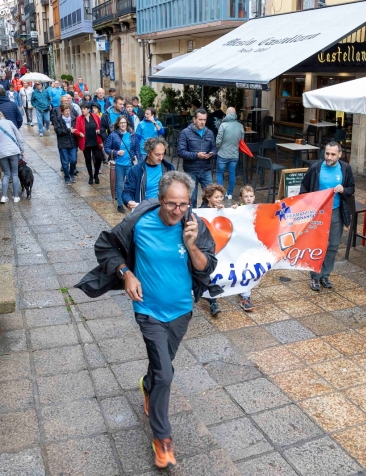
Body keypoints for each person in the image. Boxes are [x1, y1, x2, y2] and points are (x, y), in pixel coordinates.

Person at [81, 170, 219, 469]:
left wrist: (192, 244)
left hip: (181, 310)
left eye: (184, 204)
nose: (177, 211)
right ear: (160, 200)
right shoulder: (139, 222)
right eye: (172, 204)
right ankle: (162, 438)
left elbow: (206, 268)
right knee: (166, 374)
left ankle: (147, 384)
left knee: (160, 369)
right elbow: (105, 247)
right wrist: (126, 273)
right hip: (148, 311)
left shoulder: (194, 225)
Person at [299, 141, 355, 291]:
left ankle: (325, 274)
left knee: (333, 245)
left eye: (332, 154)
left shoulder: (345, 169)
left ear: (340, 155)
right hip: (318, 214)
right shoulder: (316, 168)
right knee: (317, 245)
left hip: (336, 212)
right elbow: (303, 189)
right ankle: (315, 277)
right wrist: (310, 203)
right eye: (327, 153)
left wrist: (344, 189)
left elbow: (351, 188)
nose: (329, 157)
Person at [178, 109, 217, 206]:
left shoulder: (209, 133)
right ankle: (193, 217)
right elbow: (180, 152)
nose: (203, 122)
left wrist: (211, 154)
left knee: (210, 196)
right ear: (194, 119)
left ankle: (203, 214)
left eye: (204, 119)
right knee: (192, 198)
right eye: (200, 119)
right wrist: (196, 155)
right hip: (191, 170)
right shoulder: (185, 133)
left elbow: (215, 149)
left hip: (206, 169)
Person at [123, 137, 175, 210]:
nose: (161, 158)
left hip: (164, 210)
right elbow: (128, 191)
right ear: (148, 153)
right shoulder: (136, 170)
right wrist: (129, 201)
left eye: (162, 154)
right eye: (157, 155)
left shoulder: (169, 167)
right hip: (145, 210)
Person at [0, 108, 24, 204]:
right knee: (15, 174)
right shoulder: (9, 122)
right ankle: (16, 197)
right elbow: (18, 137)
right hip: (14, 151)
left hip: (2, 153)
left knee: (6, 174)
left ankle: (4, 196)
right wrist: (22, 149)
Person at [199, 184, 226, 317]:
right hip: (205, 247)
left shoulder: (218, 210)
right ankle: (213, 301)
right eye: (216, 197)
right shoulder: (202, 211)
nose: (220, 199)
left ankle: (210, 296)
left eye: (221, 196)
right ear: (208, 197)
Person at [104, 115, 141, 213]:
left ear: (127, 123)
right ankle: (120, 204)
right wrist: (116, 152)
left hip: (130, 164)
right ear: (118, 124)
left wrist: (139, 161)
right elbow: (106, 148)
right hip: (119, 164)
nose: (123, 124)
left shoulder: (132, 134)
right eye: (121, 123)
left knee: (130, 185)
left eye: (124, 122)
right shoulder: (113, 135)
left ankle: (130, 202)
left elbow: (137, 148)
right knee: (119, 185)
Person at [215, 107, 244, 199]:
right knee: (232, 173)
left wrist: (219, 149)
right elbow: (242, 141)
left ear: (227, 114)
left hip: (223, 154)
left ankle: (220, 194)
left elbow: (218, 141)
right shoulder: (240, 126)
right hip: (234, 154)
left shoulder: (223, 125)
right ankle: (230, 193)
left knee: (220, 173)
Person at [75, 102, 105, 185]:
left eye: (84, 109)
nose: (82, 110)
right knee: (88, 160)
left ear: (88, 109)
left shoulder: (95, 116)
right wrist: (79, 133)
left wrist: (99, 131)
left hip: (96, 141)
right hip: (86, 142)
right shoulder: (79, 118)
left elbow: (100, 126)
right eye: (81, 109)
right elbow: (76, 130)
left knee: (99, 158)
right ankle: (91, 176)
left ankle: (96, 175)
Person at [237, 185, 256, 310]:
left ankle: (245, 295)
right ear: (241, 198)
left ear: (254, 197)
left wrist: (276, 205)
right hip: (240, 246)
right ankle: (244, 294)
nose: (248, 199)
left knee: (249, 269)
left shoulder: (258, 209)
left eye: (251, 196)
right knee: (243, 269)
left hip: (253, 246)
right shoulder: (238, 209)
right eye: (245, 196)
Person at [52, 104, 79, 185]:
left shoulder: (74, 119)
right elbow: (58, 131)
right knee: (65, 162)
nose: (68, 112)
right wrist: (68, 130)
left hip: (73, 143)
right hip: (63, 143)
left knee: (73, 160)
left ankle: (71, 173)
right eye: (66, 111)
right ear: (62, 112)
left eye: (68, 111)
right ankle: (67, 177)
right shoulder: (58, 120)